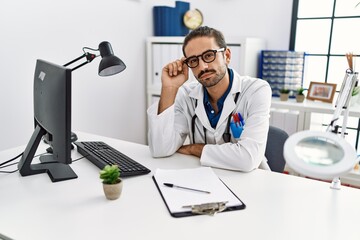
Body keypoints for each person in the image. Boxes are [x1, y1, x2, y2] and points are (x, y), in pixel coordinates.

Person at [147, 26, 272, 172]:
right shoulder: (186, 94)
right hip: (203, 178)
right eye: (193, 61)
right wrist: (169, 89)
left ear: (227, 56)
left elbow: (247, 159)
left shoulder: (256, 90)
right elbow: (160, 150)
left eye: (208, 56)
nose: (202, 67)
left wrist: (194, 148)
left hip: (248, 181)